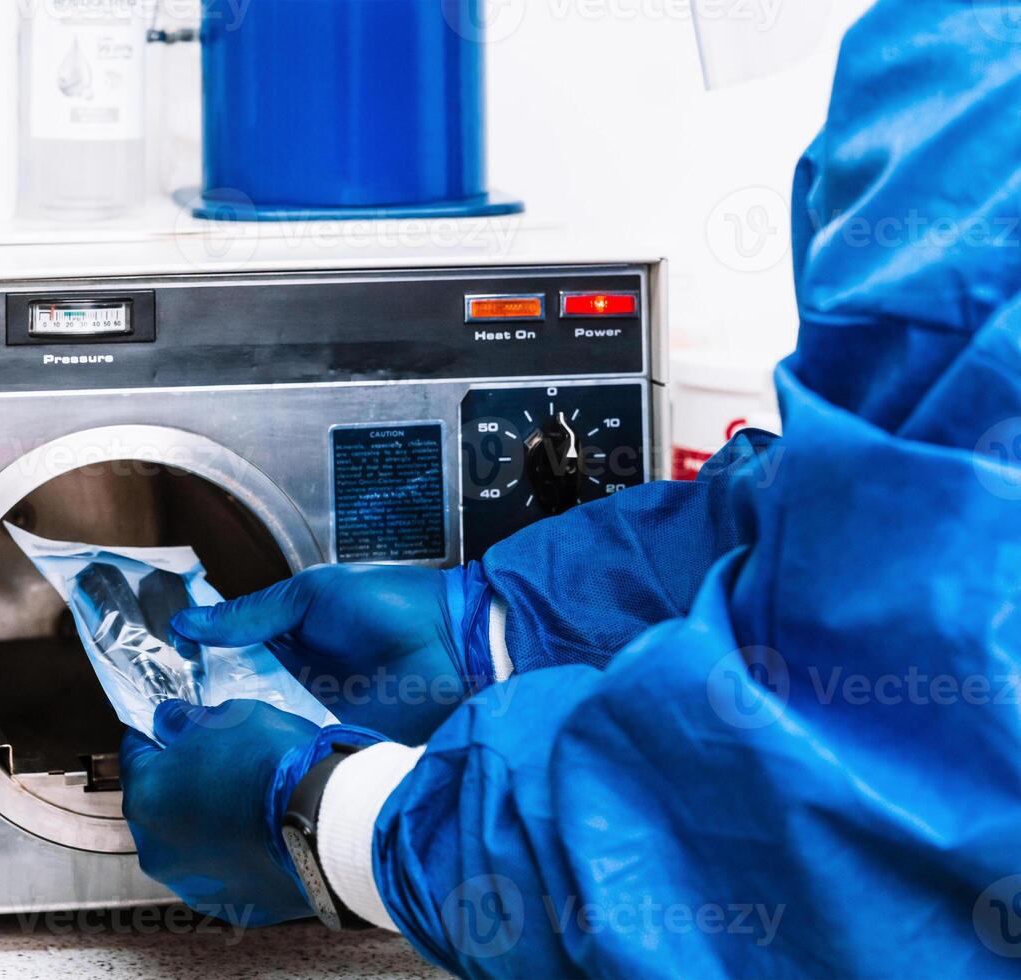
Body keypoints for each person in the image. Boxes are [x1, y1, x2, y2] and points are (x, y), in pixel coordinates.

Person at [120, 2, 1021, 975]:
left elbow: (877, 822)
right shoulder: (962, 73)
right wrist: (508, 624)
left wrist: (338, 818)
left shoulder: (978, 105)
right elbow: (891, 531)